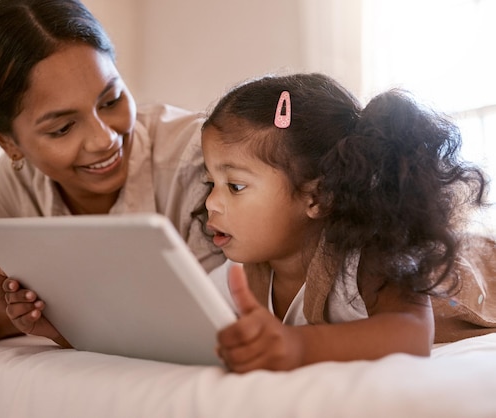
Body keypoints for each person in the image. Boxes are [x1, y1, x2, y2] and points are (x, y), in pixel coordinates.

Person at [0, 0, 225, 347]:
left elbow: (228, 323)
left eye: (111, 100)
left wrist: (65, 322)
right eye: (62, 128)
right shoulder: (16, 180)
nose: (104, 139)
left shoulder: (204, 158)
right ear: (6, 141)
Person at [200, 73, 496, 373]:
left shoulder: (369, 252)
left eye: (235, 186)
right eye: (210, 182)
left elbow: (413, 336)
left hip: (483, 271)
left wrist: (299, 344)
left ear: (317, 197)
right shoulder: (240, 275)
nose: (210, 202)